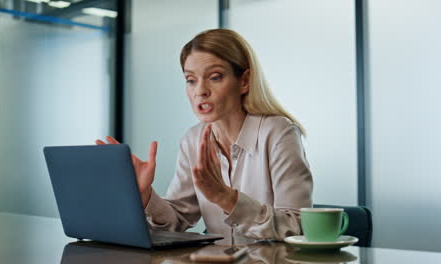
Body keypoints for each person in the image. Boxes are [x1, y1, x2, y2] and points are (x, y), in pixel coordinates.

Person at [96, 29, 313, 244]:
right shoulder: (192, 139)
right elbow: (178, 219)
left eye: (215, 77)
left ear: (244, 81)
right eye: (191, 80)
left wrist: (227, 198)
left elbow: (297, 226)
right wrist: (145, 196)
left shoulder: (278, 132)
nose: (200, 91)